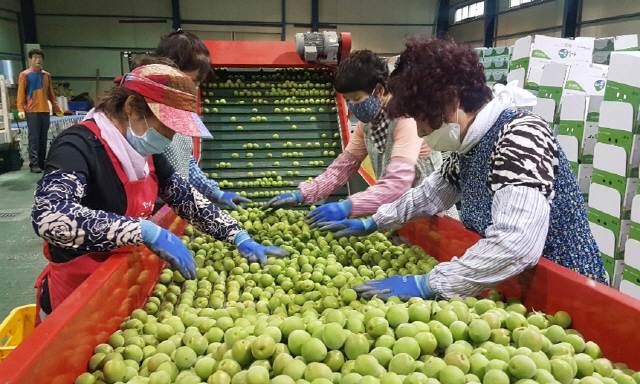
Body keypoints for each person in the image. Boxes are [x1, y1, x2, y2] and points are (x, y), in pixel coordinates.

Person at [320, 37, 607, 301]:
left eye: (421, 118)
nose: (420, 132)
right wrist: (376, 222)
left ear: (451, 100)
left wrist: (429, 283)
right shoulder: (470, 145)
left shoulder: (520, 136)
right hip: (512, 283)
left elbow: (515, 244)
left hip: (567, 290)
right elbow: (431, 193)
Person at [31, 62, 288, 321]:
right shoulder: (77, 146)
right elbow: (50, 217)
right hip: (77, 294)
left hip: (121, 283)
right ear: (131, 107)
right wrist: (142, 230)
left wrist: (237, 235)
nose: (171, 136)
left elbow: (185, 197)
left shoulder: (145, 153)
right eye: (167, 125)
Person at [262, 50, 456, 223]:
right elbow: (344, 167)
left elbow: (398, 182)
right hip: (395, 213)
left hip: (433, 216)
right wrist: (304, 194)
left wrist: (348, 206)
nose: (352, 105)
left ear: (379, 90)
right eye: (348, 100)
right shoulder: (368, 123)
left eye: (356, 98)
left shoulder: (405, 119)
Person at [156, 30, 250, 210]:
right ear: (168, 71)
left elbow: (185, 161)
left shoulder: (180, 111)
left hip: (173, 204)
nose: (194, 88)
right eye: (192, 80)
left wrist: (214, 192)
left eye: (198, 82)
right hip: (145, 212)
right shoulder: (144, 113)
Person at [17, 49, 64, 173]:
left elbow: (51, 94)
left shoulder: (46, 75)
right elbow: (21, 93)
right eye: (35, 57)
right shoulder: (25, 75)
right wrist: (20, 109)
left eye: (39, 57)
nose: (37, 60)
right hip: (32, 111)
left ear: (43, 59)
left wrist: (56, 108)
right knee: (34, 138)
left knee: (43, 137)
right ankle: (34, 164)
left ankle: (42, 162)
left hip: (44, 110)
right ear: (30, 60)